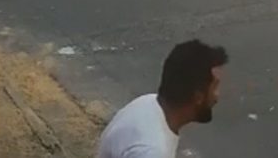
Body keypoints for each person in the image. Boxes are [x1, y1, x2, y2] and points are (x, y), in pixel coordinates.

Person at [98, 39, 229, 158]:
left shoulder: (147, 103)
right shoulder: (152, 150)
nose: (217, 96)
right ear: (198, 97)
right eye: (215, 87)